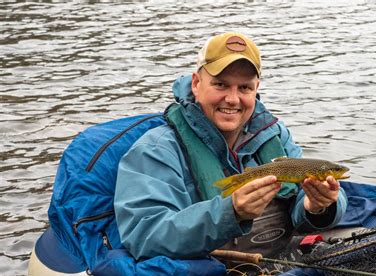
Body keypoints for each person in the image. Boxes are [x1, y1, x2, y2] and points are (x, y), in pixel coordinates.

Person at [114, 32, 347, 262]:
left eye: (244, 88)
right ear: (196, 83)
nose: (233, 99)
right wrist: (230, 213)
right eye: (220, 85)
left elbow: (303, 208)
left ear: (256, 88)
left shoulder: (275, 135)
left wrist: (316, 206)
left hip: (276, 263)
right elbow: (145, 236)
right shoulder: (155, 150)